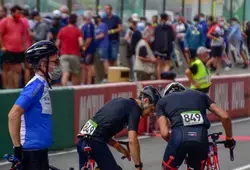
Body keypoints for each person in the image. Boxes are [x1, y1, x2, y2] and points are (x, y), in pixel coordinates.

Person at [77, 86, 161, 170]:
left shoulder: (121, 102)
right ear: (146, 101)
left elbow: (100, 128)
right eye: (152, 109)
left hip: (83, 138)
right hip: (95, 141)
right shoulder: (134, 110)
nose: (150, 114)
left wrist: (119, 147)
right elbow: (133, 141)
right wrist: (138, 166)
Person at [156, 82, 236, 170]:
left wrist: (176, 144)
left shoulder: (162, 102)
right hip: (200, 138)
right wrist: (229, 138)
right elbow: (225, 116)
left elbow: (164, 133)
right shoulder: (200, 95)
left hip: (178, 138)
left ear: (167, 94)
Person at [8, 40, 62, 170]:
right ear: (44, 64)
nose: (58, 66)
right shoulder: (36, 86)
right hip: (31, 154)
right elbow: (13, 114)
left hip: (39, 152)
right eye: (55, 62)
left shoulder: (42, 85)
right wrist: (17, 149)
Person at [154, 13, 175, 80]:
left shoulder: (157, 27)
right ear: (167, 18)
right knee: (167, 64)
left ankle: (159, 79)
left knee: (159, 65)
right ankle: (165, 79)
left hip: (158, 49)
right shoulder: (169, 27)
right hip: (167, 49)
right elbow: (172, 38)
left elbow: (155, 37)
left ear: (160, 18)